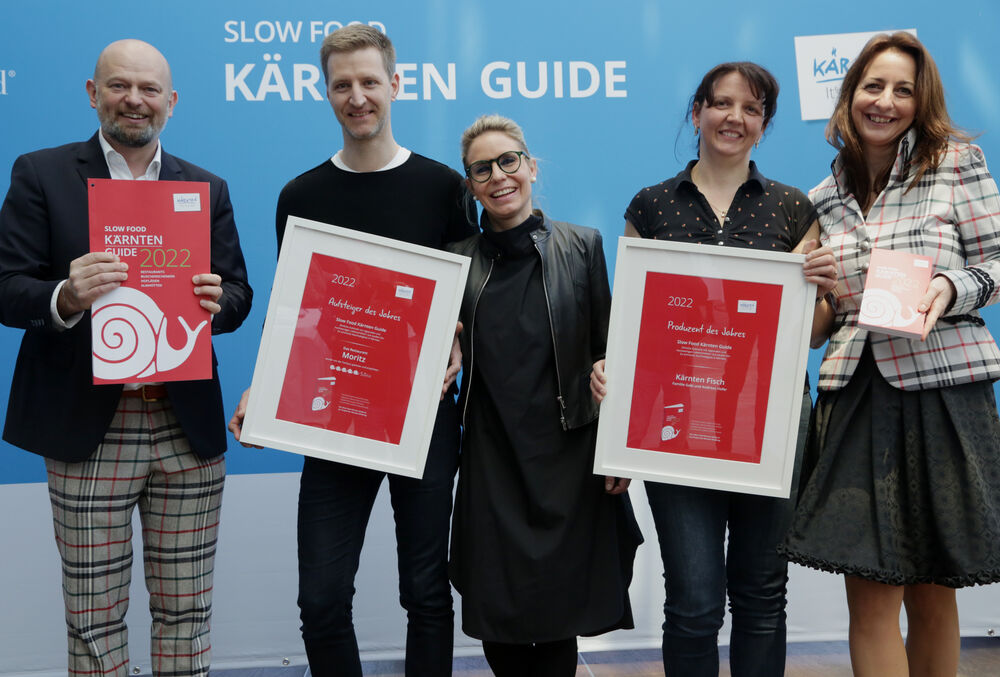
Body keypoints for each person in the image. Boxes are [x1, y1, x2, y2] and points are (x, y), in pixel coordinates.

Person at [227, 25, 474, 676]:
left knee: (427, 592)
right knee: (321, 599)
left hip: (424, 416)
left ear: (396, 84)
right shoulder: (301, 196)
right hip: (333, 416)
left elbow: (470, 298)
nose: (357, 96)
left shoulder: (445, 188)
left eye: (369, 81)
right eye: (343, 85)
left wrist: (460, 342)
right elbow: (297, 312)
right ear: (326, 91)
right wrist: (266, 386)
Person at [0, 39, 252, 676]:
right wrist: (65, 294)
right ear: (93, 94)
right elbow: (6, 287)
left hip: (185, 424)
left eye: (148, 89)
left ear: (172, 102)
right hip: (89, 427)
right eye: (119, 86)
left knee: (187, 610)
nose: (134, 100)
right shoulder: (41, 173)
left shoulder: (206, 186)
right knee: (93, 616)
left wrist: (218, 302)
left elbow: (239, 293)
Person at [590, 63, 837, 676]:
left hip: (769, 423)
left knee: (762, 596)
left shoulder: (792, 207)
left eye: (751, 109)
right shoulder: (651, 205)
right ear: (697, 111)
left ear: (764, 125)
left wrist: (819, 290)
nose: (735, 118)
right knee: (694, 603)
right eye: (722, 103)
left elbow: (812, 332)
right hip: (678, 423)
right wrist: (612, 393)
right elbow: (634, 321)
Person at [779, 32, 1000, 677]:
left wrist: (950, 288)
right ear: (849, 95)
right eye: (873, 86)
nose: (885, 101)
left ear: (921, 101)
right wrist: (807, 286)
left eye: (903, 90)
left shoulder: (955, 163)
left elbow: (996, 262)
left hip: (945, 394)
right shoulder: (821, 197)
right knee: (870, 595)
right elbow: (821, 325)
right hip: (857, 397)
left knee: (933, 590)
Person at [447, 114, 643, 677]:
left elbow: (608, 352)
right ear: (471, 185)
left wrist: (617, 448)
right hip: (491, 459)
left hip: (568, 459)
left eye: (508, 161)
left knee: (559, 616)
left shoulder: (583, 246)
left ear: (531, 167)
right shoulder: (454, 260)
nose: (498, 176)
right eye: (482, 169)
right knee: (498, 612)